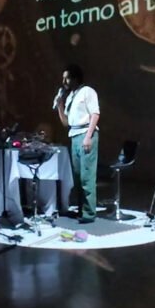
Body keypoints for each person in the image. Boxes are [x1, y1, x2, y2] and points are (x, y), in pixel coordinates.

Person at [54, 64, 100, 223]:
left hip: (86, 133)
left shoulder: (87, 91)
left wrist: (88, 137)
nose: (64, 82)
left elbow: (95, 114)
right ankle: (81, 209)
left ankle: (89, 213)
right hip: (74, 135)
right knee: (78, 176)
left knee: (87, 175)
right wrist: (60, 105)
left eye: (67, 78)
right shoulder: (70, 96)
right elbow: (66, 122)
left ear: (75, 78)